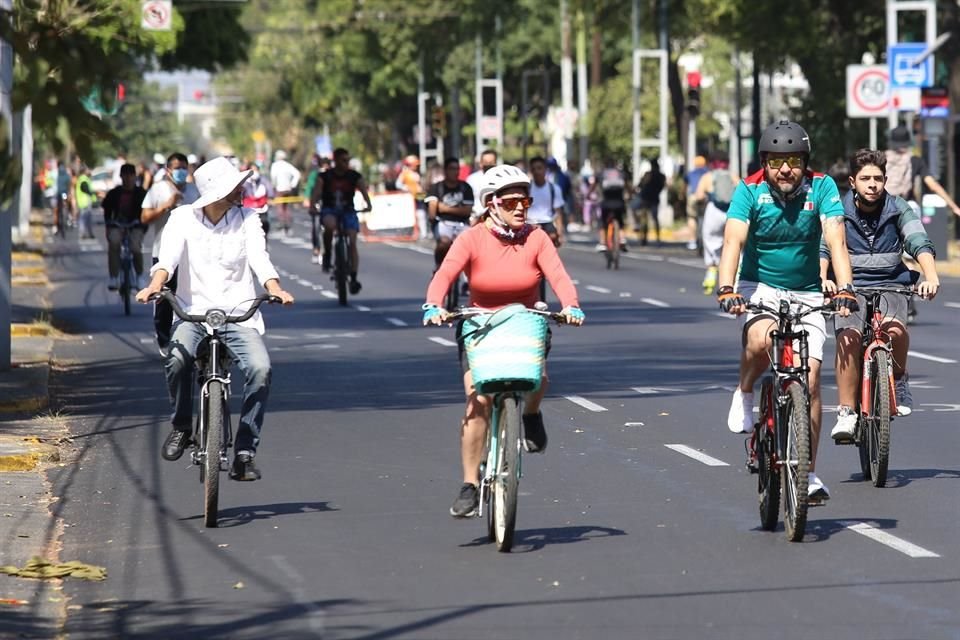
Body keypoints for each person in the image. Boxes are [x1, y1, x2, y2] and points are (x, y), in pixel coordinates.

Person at [422, 164, 585, 518]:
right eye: (511, 201)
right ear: (491, 204)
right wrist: (433, 305)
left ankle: (531, 414)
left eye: (525, 200)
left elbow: (558, 276)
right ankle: (469, 484)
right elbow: (446, 274)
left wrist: (571, 306)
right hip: (480, 324)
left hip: (526, 321)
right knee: (477, 398)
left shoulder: (537, 237)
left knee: (537, 379)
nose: (520, 208)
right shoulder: (472, 238)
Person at [716, 120, 858, 502]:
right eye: (777, 161)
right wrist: (727, 288)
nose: (785, 170)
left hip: (808, 291)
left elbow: (837, 240)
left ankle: (807, 474)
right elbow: (733, 241)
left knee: (810, 380)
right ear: (765, 162)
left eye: (793, 160)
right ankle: (745, 392)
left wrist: (845, 289)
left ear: (804, 162)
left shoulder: (823, 186)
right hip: (758, 286)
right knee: (760, 342)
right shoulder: (749, 190)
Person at [135, 156, 295, 480]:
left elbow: (260, 259)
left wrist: (275, 288)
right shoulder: (181, 218)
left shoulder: (249, 218)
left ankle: (245, 451)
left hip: (238, 314)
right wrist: (154, 286)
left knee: (261, 369)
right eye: (234, 186)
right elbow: (167, 260)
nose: (241, 190)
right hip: (193, 313)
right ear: (217, 192)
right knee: (177, 359)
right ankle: (181, 426)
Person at [820, 149, 939, 440]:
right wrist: (823, 278)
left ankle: (898, 381)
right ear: (852, 182)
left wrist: (931, 276)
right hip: (851, 288)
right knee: (848, 337)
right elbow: (824, 248)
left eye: (877, 178)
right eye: (865, 179)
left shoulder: (898, 208)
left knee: (894, 332)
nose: (872, 184)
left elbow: (918, 241)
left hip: (892, 284)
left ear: (885, 180)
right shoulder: (838, 211)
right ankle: (847, 412)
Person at [141, 153, 201, 353]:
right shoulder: (157, 190)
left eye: (184, 168)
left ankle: (194, 339)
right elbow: (145, 217)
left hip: (192, 254)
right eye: (177, 168)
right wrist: (166, 205)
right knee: (165, 298)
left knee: (193, 297)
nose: (181, 172)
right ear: (168, 170)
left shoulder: (195, 191)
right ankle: (164, 339)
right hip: (163, 254)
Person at [311, 147, 373, 293]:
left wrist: (368, 204)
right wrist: (313, 205)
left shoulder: (354, 176)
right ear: (336, 161)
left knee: (352, 239)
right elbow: (316, 192)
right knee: (330, 226)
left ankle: (353, 275)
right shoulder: (325, 176)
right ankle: (327, 255)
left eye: (347, 160)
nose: (346, 163)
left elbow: (364, 191)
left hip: (348, 210)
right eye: (343, 160)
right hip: (330, 209)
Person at [693, 151, 739, 295]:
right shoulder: (733, 177)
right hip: (731, 212)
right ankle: (736, 278)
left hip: (713, 212)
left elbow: (699, 195)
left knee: (711, 241)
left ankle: (711, 272)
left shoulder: (708, 177)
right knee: (734, 241)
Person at [101, 163, 148, 289]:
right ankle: (114, 277)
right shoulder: (114, 193)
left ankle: (139, 276)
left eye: (131, 175)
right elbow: (107, 210)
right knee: (114, 243)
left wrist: (143, 227)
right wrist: (108, 225)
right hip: (117, 225)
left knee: (135, 247)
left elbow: (147, 213)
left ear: (135, 176)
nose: (128, 178)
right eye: (125, 175)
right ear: (121, 176)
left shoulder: (141, 193)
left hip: (136, 225)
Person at [424, 157, 474, 271]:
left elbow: (467, 211)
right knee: (444, 243)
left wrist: (444, 208)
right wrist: (437, 213)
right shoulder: (436, 188)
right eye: (452, 169)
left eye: (457, 169)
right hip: (443, 223)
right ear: (445, 170)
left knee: (470, 247)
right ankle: (438, 266)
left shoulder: (465, 187)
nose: (455, 172)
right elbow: (433, 208)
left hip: (462, 224)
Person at [526, 156, 565, 247]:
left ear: (545, 170)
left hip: (547, 223)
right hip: (530, 223)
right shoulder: (527, 188)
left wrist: (559, 233)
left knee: (551, 239)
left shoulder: (554, 189)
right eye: (533, 169)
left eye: (539, 168)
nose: (536, 172)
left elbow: (558, 212)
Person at [593, 159, 628, 251]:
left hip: (606, 203)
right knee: (620, 221)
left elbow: (593, 187)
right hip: (619, 203)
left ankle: (602, 243)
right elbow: (627, 187)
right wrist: (631, 194)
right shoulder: (621, 174)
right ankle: (622, 238)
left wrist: (588, 195)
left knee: (602, 222)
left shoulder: (601, 174)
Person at [269, 150, 301, 236]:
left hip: (279, 189)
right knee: (286, 207)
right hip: (288, 188)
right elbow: (297, 173)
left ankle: (283, 223)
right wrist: (293, 184)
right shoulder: (288, 165)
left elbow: (273, 177)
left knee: (280, 207)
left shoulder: (275, 165)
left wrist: (273, 186)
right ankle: (287, 223)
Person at [636, 158, 666, 245]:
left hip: (646, 198)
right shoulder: (661, 176)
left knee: (645, 219)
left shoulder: (648, 174)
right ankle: (657, 238)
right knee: (655, 219)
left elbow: (640, 185)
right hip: (654, 198)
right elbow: (663, 187)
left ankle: (644, 238)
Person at [242, 162, 275, 240]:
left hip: (261, 207)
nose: (254, 172)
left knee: (264, 224)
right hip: (248, 208)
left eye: (256, 170)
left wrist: (270, 198)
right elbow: (240, 192)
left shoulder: (263, 180)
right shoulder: (244, 182)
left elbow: (269, 189)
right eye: (252, 170)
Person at [465, 149, 499, 218]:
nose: (488, 165)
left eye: (491, 162)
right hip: (475, 217)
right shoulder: (471, 179)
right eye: (486, 162)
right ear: (481, 163)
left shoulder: (501, 178)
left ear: (495, 163)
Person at [685, 155, 709, 250]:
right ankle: (704, 240)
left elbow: (685, 186)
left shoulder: (690, 173)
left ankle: (692, 241)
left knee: (691, 217)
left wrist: (682, 196)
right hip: (705, 197)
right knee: (705, 217)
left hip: (693, 196)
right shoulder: (707, 172)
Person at [74, 165, 96, 239]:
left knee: (87, 219)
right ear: (84, 171)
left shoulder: (83, 179)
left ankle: (89, 233)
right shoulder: (83, 179)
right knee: (83, 219)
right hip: (85, 202)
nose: (89, 171)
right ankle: (83, 233)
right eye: (87, 169)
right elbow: (85, 189)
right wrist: (92, 193)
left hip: (84, 202)